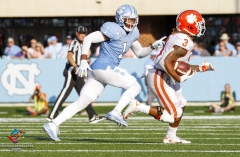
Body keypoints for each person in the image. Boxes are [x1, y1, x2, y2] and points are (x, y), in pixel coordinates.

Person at [43, 4, 165, 141]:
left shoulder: (133, 33)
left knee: (82, 101)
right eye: (128, 19)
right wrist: (83, 59)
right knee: (135, 86)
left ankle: (53, 124)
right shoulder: (113, 29)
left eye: (133, 20)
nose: (131, 23)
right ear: (120, 19)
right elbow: (88, 38)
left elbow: (140, 52)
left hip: (98, 72)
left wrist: (153, 46)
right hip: (105, 67)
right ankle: (116, 111)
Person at [123, 10, 214, 144]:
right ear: (189, 25)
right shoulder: (185, 41)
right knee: (174, 115)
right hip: (159, 75)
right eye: (198, 24)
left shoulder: (180, 36)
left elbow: (177, 64)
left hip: (164, 74)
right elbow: (164, 62)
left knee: (182, 103)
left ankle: (171, 136)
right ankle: (138, 106)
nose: (200, 27)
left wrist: (200, 68)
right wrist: (179, 78)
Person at [46, 26, 104, 123]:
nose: (82, 35)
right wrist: (75, 66)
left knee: (85, 94)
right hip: (71, 71)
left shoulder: (85, 43)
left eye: (84, 34)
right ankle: (52, 115)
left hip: (79, 72)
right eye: (80, 33)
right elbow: (69, 56)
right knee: (65, 93)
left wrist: (85, 62)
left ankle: (92, 115)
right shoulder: (75, 42)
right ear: (77, 34)